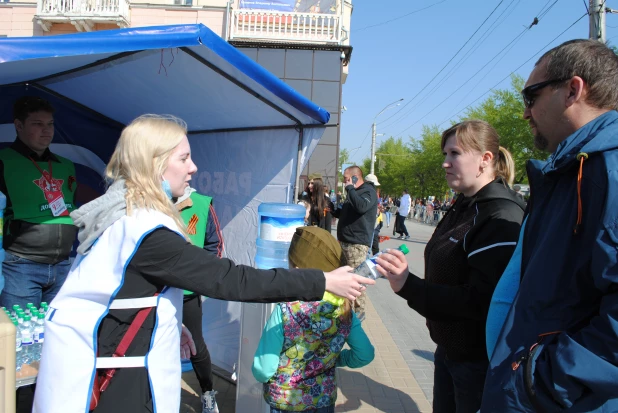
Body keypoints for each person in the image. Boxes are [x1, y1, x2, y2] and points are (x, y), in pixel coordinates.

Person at [33, 115, 374, 413]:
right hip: (116, 380)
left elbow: (117, 291)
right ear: (154, 165)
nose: (194, 167)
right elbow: (231, 279)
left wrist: (163, 319)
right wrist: (322, 282)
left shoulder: (123, 213)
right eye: (184, 158)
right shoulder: (145, 232)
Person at [478, 39, 618, 412]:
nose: (525, 113)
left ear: (573, 89)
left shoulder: (608, 172)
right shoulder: (569, 171)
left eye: (531, 96)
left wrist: (544, 382)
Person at [375, 120, 525, 413]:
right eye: (445, 154)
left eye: (455, 154)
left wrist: (409, 285)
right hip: (450, 352)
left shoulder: (500, 215)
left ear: (485, 159)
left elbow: (481, 303)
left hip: (477, 363)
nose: (445, 163)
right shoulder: (465, 203)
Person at [253, 226, 374, 413]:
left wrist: (260, 375)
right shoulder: (344, 309)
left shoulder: (286, 308)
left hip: (285, 402)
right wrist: (337, 360)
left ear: (299, 269)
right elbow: (365, 354)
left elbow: (264, 368)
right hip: (323, 400)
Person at [0, 96, 100, 309]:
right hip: (21, 266)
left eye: (50, 124)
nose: (47, 131)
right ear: (18, 126)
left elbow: (69, 206)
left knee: (55, 337)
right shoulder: (3, 161)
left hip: (62, 265)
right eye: (38, 124)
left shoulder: (65, 165)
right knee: (20, 336)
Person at [175, 186, 223, 413]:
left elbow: (215, 245)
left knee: (195, 345)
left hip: (187, 291)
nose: (190, 170)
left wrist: (200, 277)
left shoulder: (202, 203)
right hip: (155, 290)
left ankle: (207, 394)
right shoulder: (148, 197)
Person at [332, 166, 378, 322]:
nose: (345, 183)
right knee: (345, 277)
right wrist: (332, 209)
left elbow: (361, 207)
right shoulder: (354, 193)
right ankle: (347, 311)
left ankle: (359, 312)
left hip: (356, 244)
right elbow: (346, 212)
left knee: (356, 278)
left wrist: (350, 188)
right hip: (345, 242)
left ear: (354, 178)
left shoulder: (368, 191)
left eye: (346, 179)